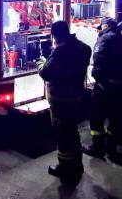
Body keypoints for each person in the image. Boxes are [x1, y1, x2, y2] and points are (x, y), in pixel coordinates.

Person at [39, 21, 92, 183]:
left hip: (60, 99)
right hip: (76, 96)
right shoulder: (83, 48)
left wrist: (41, 62)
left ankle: (65, 168)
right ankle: (77, 165)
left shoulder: (60, 53)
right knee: (72, 130)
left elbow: (45, 73)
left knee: (63, 134)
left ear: (55, 36)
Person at [83, 17, 122, 159]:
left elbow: (98, 64)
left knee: (96, 118)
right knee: (115, 119)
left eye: (100, 27)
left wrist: (99, 81)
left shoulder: (104, 40)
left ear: (105, 26)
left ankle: (97, 147)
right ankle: (111, 148)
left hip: (105, 87)